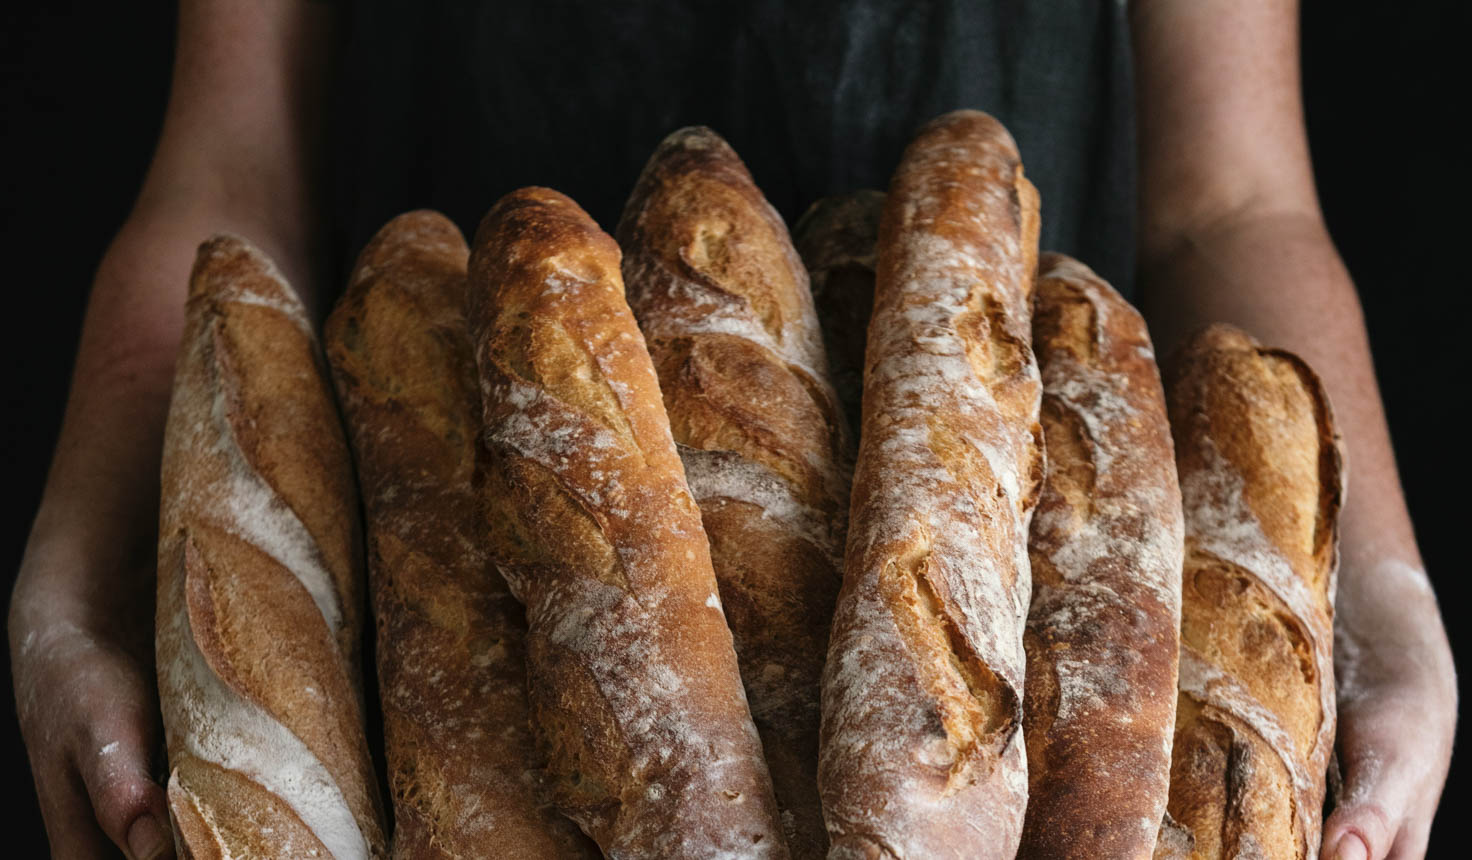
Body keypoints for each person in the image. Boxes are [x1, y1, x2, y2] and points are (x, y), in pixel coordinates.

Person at [8, 1, 1455, 859]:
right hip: (453, 463)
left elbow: (1235, 203)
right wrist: (75, 571)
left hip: (1032, 582)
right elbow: (227, 161)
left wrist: (1382, 595)